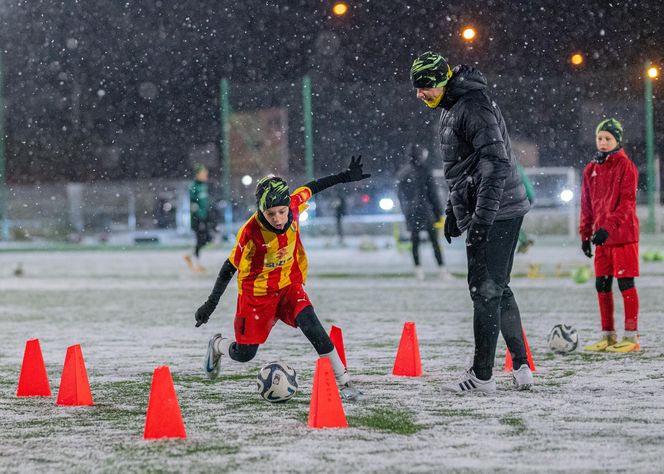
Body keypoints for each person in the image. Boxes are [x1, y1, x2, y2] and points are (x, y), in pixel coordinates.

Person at [193, 156, 370, 401]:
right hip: (256, 295)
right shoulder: (251, 232)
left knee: (312, 324)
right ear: (261, 210)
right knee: (245, 354)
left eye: (282, 212)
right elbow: (228, 269)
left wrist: (344, 176)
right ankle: (217, 345)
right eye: (270, 213)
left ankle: (345, 384)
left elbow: (313, 187)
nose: (277, 218)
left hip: (288, 285)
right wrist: (210, 304)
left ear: (289, 207)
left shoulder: (294, 205)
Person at [410, 51, 532, 393]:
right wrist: (453, 207)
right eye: (417, 88)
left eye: (426, 86)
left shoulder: (472, 106)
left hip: (498, 209)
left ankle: (482, 377)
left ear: (444, 79)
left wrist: (481, 221)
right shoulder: (452, 107)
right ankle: (521, 366)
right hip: (493, 208)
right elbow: (462, 168)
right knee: (497, 288)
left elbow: (495, 165)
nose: (421, 93)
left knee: (484, 291)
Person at [580, 118, 640, 353]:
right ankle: (608, 336)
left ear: (617, 141)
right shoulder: (591, 169)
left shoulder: (626, 166)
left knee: (625, 284)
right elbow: (586, 205)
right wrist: (585, 235)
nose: (603, 142)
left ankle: (632, 337)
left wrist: (609, 227)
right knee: (601, 285)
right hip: (602, 240)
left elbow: (627, 204)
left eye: (608, 138)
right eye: (600, 138)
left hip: (623, 237)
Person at [396, 143, 450, 281]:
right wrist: (438, 212)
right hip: (426, 211)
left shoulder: (403, 173)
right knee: (434, 241)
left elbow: (401, 196)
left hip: (412, 212)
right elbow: (432, 194)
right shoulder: (425, 171)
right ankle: (442, 270)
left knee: (415, 241)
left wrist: (406, 211)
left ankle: (418, 271)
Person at [184, 164, 213, 273]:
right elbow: (194, 204)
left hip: (204, 218)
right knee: (201, 239)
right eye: (203, 174)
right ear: (197, 175)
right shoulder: (193, 186)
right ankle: (196, 263)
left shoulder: (204, 186)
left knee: (205, 239)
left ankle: (190, 256)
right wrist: (198, 217)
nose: (206, 176)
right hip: (197, 219)